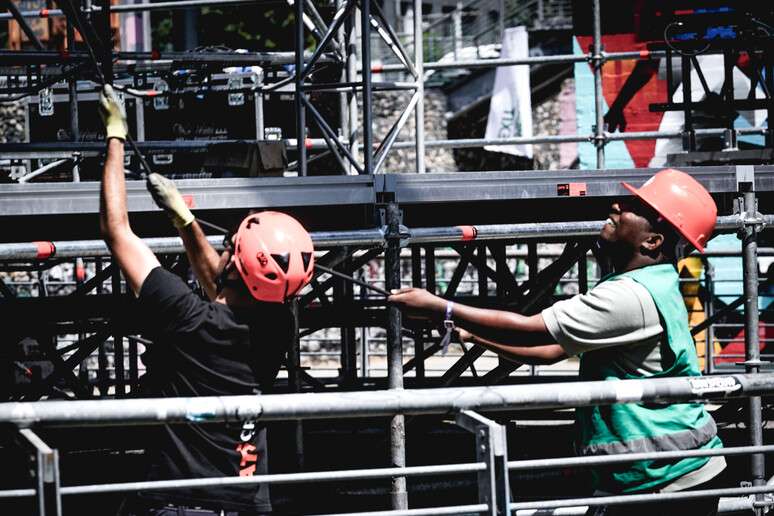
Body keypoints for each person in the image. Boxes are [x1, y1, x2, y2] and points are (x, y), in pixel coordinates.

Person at [389, 168, 725, 515]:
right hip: (669, 471)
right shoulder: (653, 283)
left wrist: (443, 307)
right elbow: (550, 351)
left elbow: (530, 329)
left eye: (634, 207)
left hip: (666, 480)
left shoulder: (630, 296)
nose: (616, 206)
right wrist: (475, 334)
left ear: (652, 241)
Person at [98, 84, 315, 515]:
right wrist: (185, 220)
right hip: (243, 502)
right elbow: (223, 282)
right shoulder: (277, 329)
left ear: (234, 265)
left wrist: (115, 137)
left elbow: (116, 230)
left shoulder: (187, 317)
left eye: (229, 246)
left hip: (178, 501)